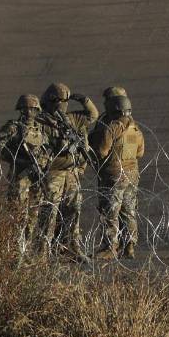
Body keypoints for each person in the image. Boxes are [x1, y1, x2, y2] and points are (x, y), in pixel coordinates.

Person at [36, 82, 98, 260]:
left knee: (73, 210)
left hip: (71, 173)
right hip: (52, 173)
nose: (63, 105)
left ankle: (72, 246)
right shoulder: (41, 122)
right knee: (50, 212)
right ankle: (43, 251)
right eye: (61, 101)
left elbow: (92, 115)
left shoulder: (71, 119)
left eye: (65, 101)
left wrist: (84, 100)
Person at [0, 94, 51, 256]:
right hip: (20, 178)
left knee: (32, 218)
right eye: (26, 109)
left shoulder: (41, 128)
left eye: (32, 109)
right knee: (17, 216)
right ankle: (16, 252)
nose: (29, 112)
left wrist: (45, 164)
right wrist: (17, 159)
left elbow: (47, 149)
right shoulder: (14, 128)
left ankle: (25, 251)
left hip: (37, 178)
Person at [89, 94, 146, 259]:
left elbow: (102, 151)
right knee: (129, 211)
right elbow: (140, 153)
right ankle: (129, 246)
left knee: (110, 211)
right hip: (132, 174)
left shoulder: (113, 127)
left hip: (113, 175)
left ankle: (110, 247)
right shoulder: (135, 129)